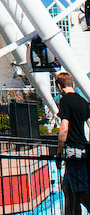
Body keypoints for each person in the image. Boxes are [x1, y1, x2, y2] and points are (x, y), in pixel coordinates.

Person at [55, 71, 90, 215]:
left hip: (71, 150)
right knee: (67, 189)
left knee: (80, 191)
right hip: (81, 149)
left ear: (59, 86)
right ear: (72, 84)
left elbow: (64, 128)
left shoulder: (64, 101)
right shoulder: (82, 101)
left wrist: (58, 152)